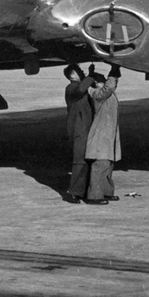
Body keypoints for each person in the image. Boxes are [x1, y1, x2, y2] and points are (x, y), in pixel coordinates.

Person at [82, 64, 123, 204]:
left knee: (108, 165)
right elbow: (110, 87)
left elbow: (112, 84)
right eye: (101, 81)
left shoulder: (105, 93)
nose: (104, 82)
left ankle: (106, 192)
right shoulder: (96, 94)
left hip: (108, 134)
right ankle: (94, 196)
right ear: (96, 83)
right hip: (101, 135)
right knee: (100, 165)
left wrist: (115, 70)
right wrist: (113, 69)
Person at [63, 65, 95, 203]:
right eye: (78, 71)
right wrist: (91, 75)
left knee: (85, 160)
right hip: (78, 129)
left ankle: (83, 191)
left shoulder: (77, 88)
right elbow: (82, 88)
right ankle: (75, 192)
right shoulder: (71, 89)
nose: (81, 72)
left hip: (84, 128)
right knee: (79, 161)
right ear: (72, 75)